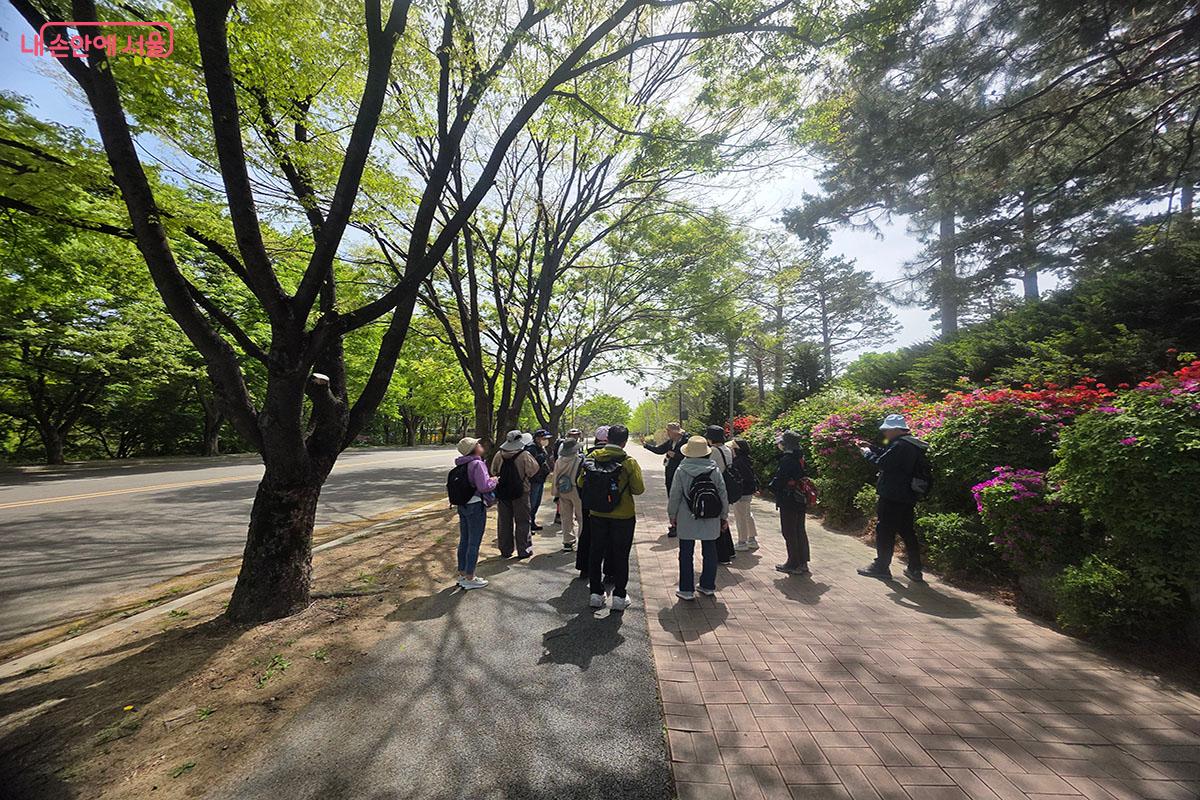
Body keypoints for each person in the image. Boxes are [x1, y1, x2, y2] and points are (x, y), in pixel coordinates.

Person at [578, 424, 644, 611]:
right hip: (623, 515)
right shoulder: (628, 462)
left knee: (596, 551)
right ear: (624, 442)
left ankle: (596, 594)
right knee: (621, 554)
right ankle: (619, 596)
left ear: (607, 439)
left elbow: (580, 482)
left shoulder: (592, 457)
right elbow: (639, 489)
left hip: (597, 513)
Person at [857, 414, 928, 582]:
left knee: (885, 530)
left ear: (896, 429)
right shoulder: (912, 444)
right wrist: (873, 447)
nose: (885, 433)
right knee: (907, 531)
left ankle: (881, 567)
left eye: (887, 430)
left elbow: (883, 463)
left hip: (892, 495)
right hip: (907, 495)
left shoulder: (899, 445)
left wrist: (867, 453)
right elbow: (889, 457)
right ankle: (915, 569)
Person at [668, 435, 729, 600]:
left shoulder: (681, 470)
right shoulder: (714, 470)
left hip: (687, 517)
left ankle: (686, 589)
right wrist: (724, 516)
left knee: (686, 552)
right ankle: (708, 586)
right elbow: (722, 494)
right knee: (710, 551)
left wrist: (672, 515)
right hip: (711, 516)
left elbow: (675, 495)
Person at [451, 437, 499, 589]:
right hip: (475, 505)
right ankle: (470, 578)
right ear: (474, 449)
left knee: (464, 540)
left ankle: (462, 574)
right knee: (474, 542)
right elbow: (484, 486)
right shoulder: (477, 464)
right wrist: (495, 480)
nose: (480, 444)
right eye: (477, 444)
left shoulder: (461, 464)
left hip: (463, 505)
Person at [491, 430, 540, 560]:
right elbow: (533, 471)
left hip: (503, 492)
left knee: (504, 521)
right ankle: (523, 549)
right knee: (523, 521)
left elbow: (493, 471)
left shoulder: (499, 454)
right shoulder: (524, 455)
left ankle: (505, 549)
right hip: (521, 492)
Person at [768, 430, 810, 575]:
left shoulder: (787, 459)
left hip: (789, 499)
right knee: (799, 529)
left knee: (789, 531)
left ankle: (793, 563)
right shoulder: (800, 457)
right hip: (800, 498)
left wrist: (771, 487)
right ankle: (803, 562)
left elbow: (780, 481)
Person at [574, 426, 609, 578]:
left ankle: (584, 568)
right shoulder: (617, 457)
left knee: (587, 534)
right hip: (610, 504)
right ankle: (610, 572)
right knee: (610, 537)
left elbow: (579, 482)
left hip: (588, 503)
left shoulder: (587, 457)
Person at [643, 422, 687, 537]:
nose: (667, 433)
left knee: (680, 500)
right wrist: (646, 445)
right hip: (670, 474)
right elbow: (659, 450)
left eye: (668, 431)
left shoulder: (685, 441)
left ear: (675, 432)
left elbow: (690, 457)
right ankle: (674, 524)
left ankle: (679, 525)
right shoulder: (670, 442)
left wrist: (676, 456)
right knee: (672, 499)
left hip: (682, 475)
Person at [704, 424, 737, 563]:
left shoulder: (713, 451)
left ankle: (722, 555)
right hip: (727, 486)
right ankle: (729, 551)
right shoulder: (727, 449)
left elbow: (709, 468)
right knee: (723, 519)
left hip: (717, 487)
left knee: (716, 522)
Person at [550, 438, 583, 551]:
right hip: (577, 490)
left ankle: (567, 541)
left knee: (566, 517)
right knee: (581, 516)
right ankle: (582, 539)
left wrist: (555, 493)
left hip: (563, 490)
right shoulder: (579, 460)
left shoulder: (559, 461)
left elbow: (555, 477)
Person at [729, 438, 759, 551]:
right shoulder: (746, 460)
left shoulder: (738, 462)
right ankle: (752, 539)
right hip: (748, 492)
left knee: (740, 517)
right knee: (747, 514)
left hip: (741, 493)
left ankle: (742, 542)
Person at [526, 429, 552, 531]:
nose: (545, 440)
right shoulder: (531, 449)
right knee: (531, 503)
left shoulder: (541, 448)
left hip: (540, 479)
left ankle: (532, 522)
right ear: (537, 438)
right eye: (543, 438)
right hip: (533, 480)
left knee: (537, 503)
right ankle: (528, 526)